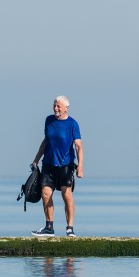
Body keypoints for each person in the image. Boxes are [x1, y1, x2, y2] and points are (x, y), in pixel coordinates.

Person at [30, 95, 84, 237]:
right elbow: (46, 141)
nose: (55, 108)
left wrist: (80, 166)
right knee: (45, 193)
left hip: (65, 165)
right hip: (48, 163)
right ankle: (49, 227)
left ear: (66, 108)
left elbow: (78, 146)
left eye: (58, 106)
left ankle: (70, 228)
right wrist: (36, 159)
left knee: (67, 195)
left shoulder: (73, 124)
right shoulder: (49, 120)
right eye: (54, 105)